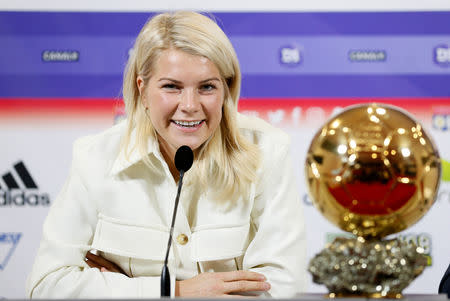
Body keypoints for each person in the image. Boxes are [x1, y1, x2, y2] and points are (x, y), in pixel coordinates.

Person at [26, 11, 306, 298]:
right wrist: (175, 291)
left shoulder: (267, 151)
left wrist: (124, 287)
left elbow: (280, 287)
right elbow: (48, 285)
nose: (190, 105)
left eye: (207, 87)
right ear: (143, 89)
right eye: (171, 87)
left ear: (226, 90)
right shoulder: (95, 157)